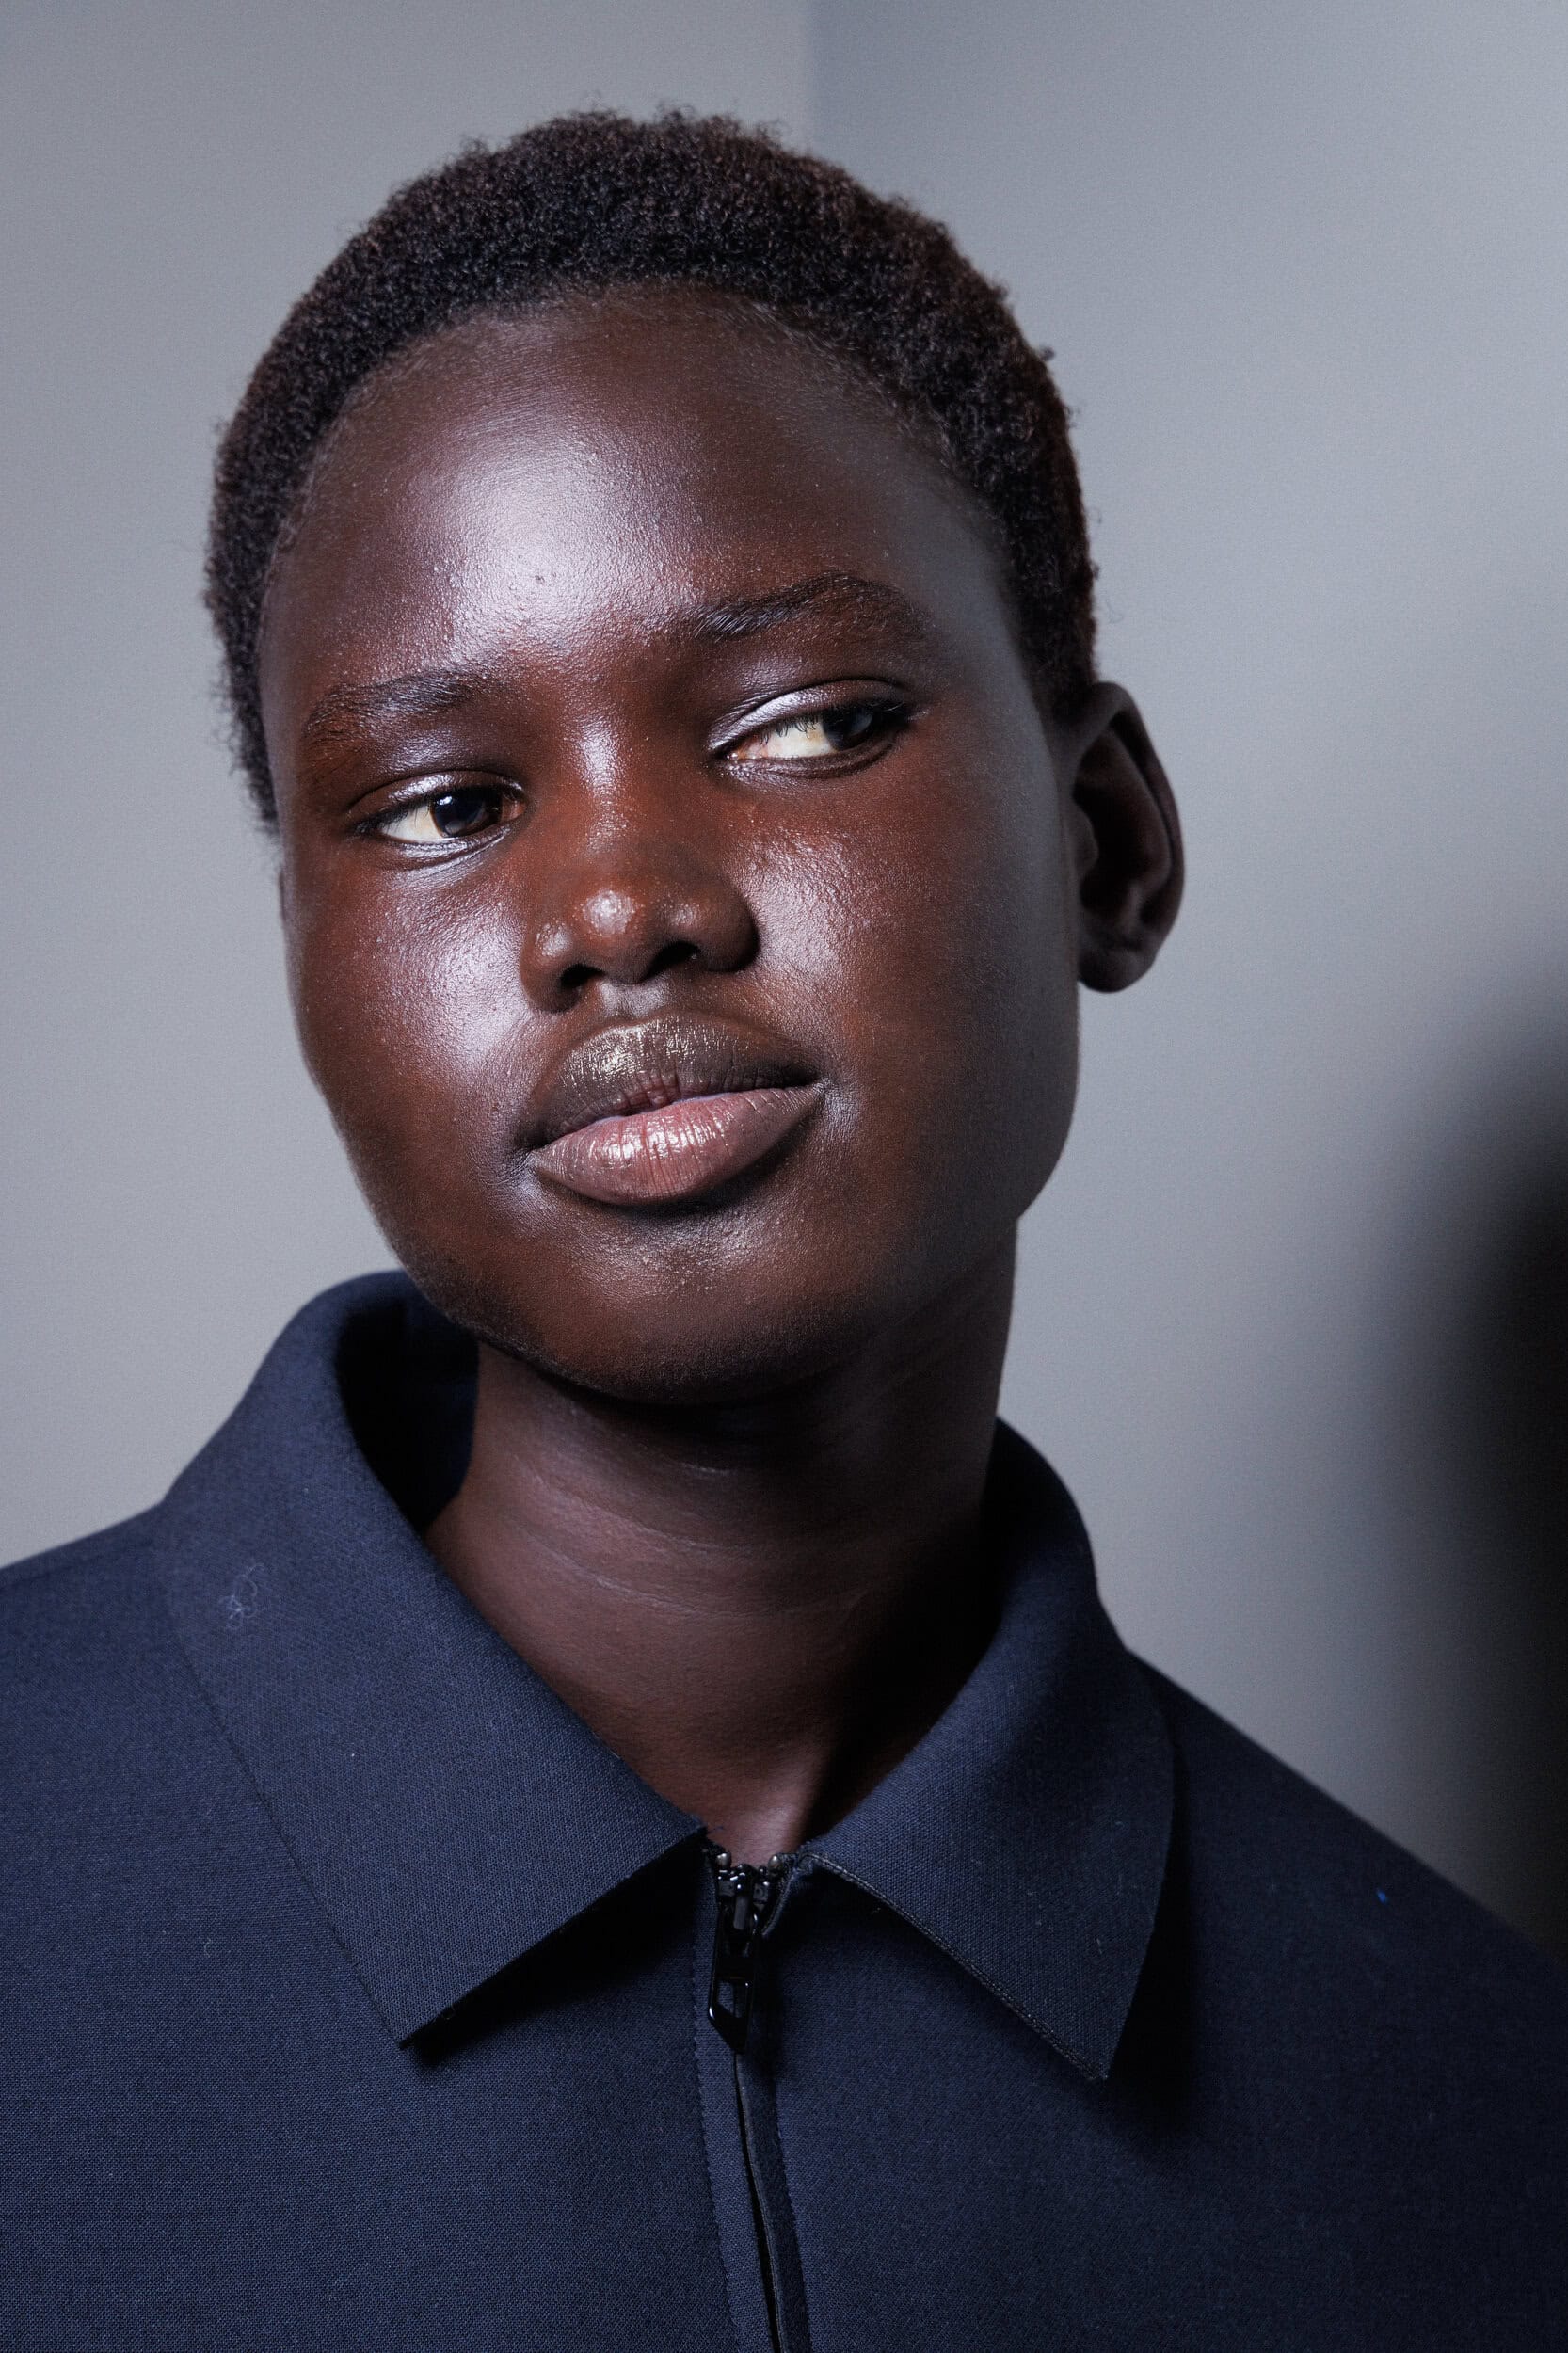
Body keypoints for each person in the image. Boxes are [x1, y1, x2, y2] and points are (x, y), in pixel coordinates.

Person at [4, 111, 1563, 2350]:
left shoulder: (1473, 2127)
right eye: (442, 803)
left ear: (1107, 842)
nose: (618, 906)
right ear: (306, 962)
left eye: (810, 724)